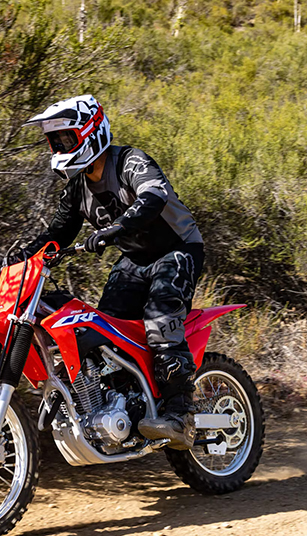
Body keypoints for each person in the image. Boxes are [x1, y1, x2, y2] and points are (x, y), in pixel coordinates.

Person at [19, 94, 204, 450]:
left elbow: (154, 196)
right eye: (55, 140)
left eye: (66, 138)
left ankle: (180, 413)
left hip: (177, 250)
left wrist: (114, 228)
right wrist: (24, 255)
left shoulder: (131, 161)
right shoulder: (77, 186)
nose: (59, 146)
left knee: (159, 316)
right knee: (108, 332)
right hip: (134, 260)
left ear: (90, 132)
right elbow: (58, 233)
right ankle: (129, 409)